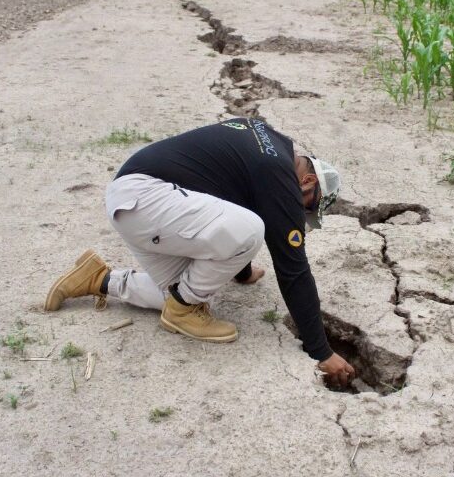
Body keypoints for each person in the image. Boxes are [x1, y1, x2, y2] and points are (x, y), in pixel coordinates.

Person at [44, 117, 356, 389]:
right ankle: (182, 310)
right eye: (309, 207)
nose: (300, 213)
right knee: (249, 232)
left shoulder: (271, 143)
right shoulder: (280, 177)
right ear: (308, 181)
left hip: (135, 198)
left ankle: (101, 279)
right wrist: (322, 352)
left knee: (185, 289)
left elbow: (232, 193)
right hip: (150, 198)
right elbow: (294, 270)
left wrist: (244, 272)